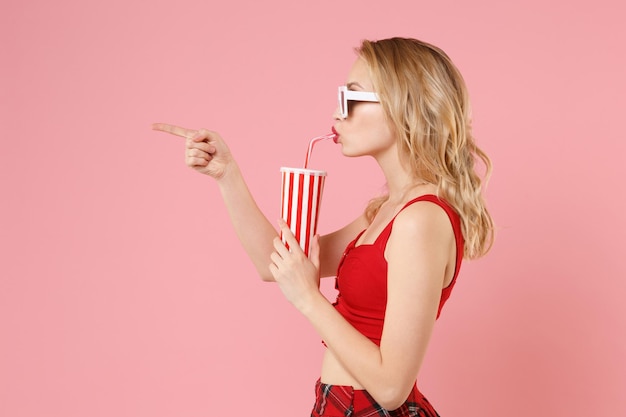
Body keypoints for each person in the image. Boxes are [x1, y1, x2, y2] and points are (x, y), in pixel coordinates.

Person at [153, 37, 494, 417]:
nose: (336, 112)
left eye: (352, 98)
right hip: (337, 405)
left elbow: (392, 387)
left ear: (404, 109)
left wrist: (308, 299)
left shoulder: (420, 219)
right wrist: (226, 174)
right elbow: (276, 265)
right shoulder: (383, 212)